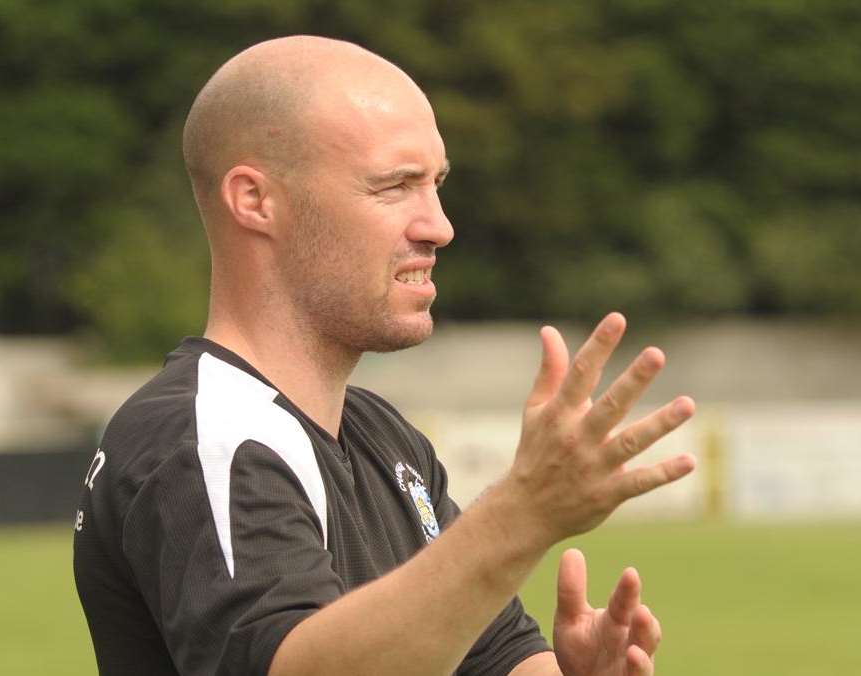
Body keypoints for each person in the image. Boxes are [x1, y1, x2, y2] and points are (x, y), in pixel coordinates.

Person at [73, 35, 696, 676]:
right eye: (395, 186)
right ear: (255, 201)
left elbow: (500, 659)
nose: (439, 226)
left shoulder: (386, 439)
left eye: (435, 185)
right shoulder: (201, 438)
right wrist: (524, 514)